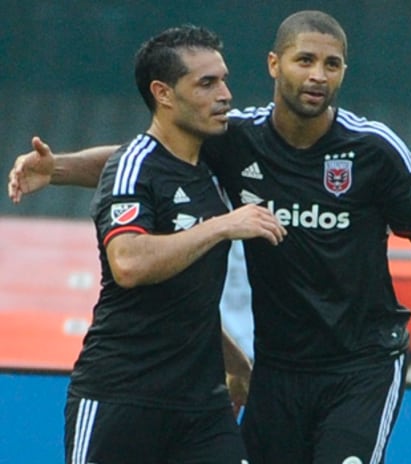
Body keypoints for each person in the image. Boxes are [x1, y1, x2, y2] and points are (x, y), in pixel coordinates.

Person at [7, 10, 411, 464]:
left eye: (332, 64)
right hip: (276, 366)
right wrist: (60, 169)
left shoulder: (376, 150)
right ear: (274, 64)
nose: (318, 75)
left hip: (360, 363)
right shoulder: (234, 137)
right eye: (305, 60)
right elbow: (151, 156)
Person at [55, 25, 287, 464]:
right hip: (120, 395)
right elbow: (128, 262)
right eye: (206, 83)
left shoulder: (214, 165)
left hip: (202, 408)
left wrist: (237, 365)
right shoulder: (135, 166)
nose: (225, 94)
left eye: (223, 79)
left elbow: (186, 304)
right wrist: (220, 227)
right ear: (163, 93)